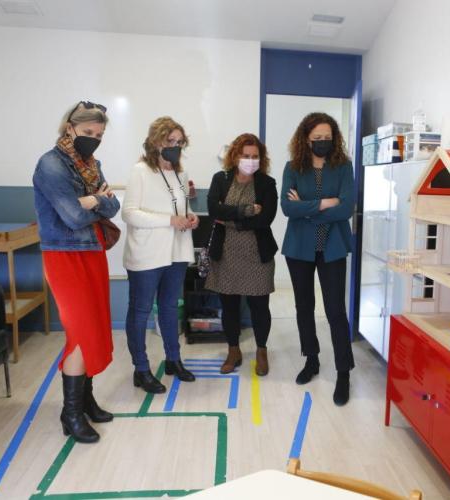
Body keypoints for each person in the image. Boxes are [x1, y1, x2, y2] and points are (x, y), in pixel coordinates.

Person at [33, 101, 119, 443]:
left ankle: (84, 401)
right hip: (64, 255)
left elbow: (113, 204)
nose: (93, 140)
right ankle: (70, 414)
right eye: (87, 132)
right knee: (81, 332)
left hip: (92, 250)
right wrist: (96, 200)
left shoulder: (92, 164)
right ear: (69, 127)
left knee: (94, 327)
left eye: (99, 135)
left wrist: (93, 201)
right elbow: (71, 216)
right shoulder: (51, 164)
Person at [280, 112, 355, 406]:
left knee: (335, 310)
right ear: (306, 139)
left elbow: (346, 208)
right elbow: (288, 208)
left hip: (332, 247)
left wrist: (308, 209)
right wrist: (325, 203)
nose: (323, 142)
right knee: (304, 306)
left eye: (327, 138)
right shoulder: (293, 167)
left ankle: (343, 371)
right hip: (299, 248)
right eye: (317, 138)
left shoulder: (343, 166)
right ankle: (311, 359)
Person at [122, 117, 199, 394]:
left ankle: (173, 360)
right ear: (156, 142)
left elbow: (179, 209)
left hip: (176, 251)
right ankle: (141, 369)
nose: (175, 146)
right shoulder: (140, 171)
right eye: (170, 141)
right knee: (140, 311)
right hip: (147, 254)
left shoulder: (180, 173)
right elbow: (129, 213)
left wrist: (190, 217)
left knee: (169, 307)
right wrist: (170, 220)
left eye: (179, 142)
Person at [205, 133, 278, 376]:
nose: (250, 160)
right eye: (246, 155)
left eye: (255, 156)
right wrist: (246, 210)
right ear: (235, 156)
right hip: (226, 254)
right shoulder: (221, 179)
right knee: (230, 306)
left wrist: (231, 220)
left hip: (257, 256)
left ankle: (261, 351)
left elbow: (265, 219)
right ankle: (233, 351)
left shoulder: (267, 183)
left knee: (260, 307)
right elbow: (213, 209)